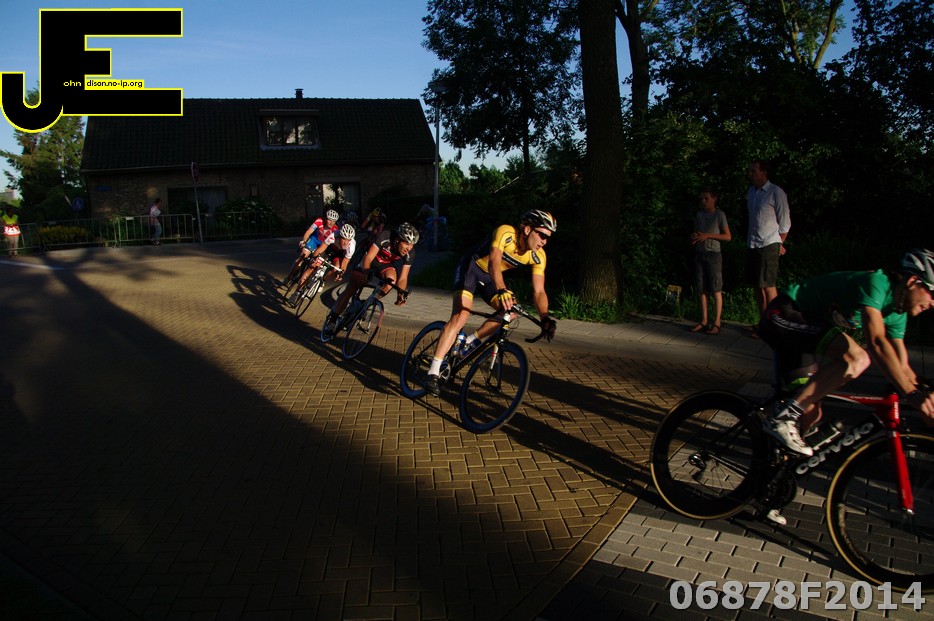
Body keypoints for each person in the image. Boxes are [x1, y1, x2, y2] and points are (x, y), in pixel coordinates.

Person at [759, 249, 934, 459]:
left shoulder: (897, 315)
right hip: (783, 313)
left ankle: (777, 465)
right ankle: (783, 419)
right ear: (913, 281)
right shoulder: (878, 283)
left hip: (803, 333)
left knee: (811, 414)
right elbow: (877, 343)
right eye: (932, 293)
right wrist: (912, 395)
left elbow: (902, 366)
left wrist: (925, 398)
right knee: (857, 358)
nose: (933, 303)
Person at [422, 210, 559, 396]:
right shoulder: (506, 233)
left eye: (548, 238)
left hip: (489, 279)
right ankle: (433, 372)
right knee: (461, 315)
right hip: (471, 268)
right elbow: (494, 262)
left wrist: (544, 317)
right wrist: (502, 289)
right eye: (542, 235)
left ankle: (471, 341)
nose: (544, 241)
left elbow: (539, 291)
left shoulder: (538, 256)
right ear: (528, 229)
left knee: (511, 311)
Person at [325, 222, 418, 332]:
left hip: (385, 263)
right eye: (407, 243)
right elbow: (368, 257)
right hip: (370, 257)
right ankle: (333, 319)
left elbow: (403, 278)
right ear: (398, 240)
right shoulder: (386, 236)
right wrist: (365, 273)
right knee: (353, 286)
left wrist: (400, 293)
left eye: (412, 245)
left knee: (391, 282)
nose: (409, 248)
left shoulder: (410, 252)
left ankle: (366, 305)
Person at [746, 159, 791, 336]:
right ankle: (763, 322)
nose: (750, 174)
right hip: (752, 243)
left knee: (768, 286)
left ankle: (774, 326)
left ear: (763, 173)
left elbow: (785, 223)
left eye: (753, 171)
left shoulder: (776, 192)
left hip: (768, 244)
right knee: (757, 286)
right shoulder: (751, 192)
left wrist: (778, 243)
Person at [690, 186, 731, 335]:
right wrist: (695, 237)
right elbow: (696, 231)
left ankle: (717, 322)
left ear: (714, 199)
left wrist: (708, 235)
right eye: (702, 198)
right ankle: (704, 320)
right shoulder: (699, 214)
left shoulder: (719, 215)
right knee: (702, 288)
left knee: (715, 288)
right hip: (700, 253)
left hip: (713, 254)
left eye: (706, 198)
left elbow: (728, 236)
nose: (703, 201)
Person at [288, 223, 357, 304]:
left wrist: (341, 273)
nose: (345, 242)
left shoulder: (351, 246)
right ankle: (297, 292)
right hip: (328, 249)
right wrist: (314, 258)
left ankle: (323, 281)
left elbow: (345, 263)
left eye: (348, 240)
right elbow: (321, 248)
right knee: (313, 266)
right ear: (339, 236)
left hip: (339, 254)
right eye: (344, 239)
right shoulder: (333, 235)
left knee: (336, 268)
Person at [281, 209, 340, 286]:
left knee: (317, 262)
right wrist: (304, 241)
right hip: (314, 240)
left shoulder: (336, 230)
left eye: (334, 221)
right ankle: (289, 277)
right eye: (329, 220)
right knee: (303, 255)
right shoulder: (319, 221)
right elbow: (309, 232)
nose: (331, 222)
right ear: (325, 218)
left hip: (323, 245)